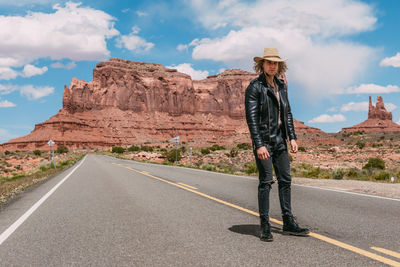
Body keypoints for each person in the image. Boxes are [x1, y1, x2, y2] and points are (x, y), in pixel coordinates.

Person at [245, 48, 309, 242]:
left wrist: (293, 137)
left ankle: (288, 222)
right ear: (262, 64)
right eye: (269, 62)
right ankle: (265, 226)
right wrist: (259, 144)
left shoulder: (281, 86)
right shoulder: (255, 87)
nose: (272, 66)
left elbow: (287, 113)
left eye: (275, 63)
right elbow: (252, 119)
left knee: (285, 181)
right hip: (264, 142)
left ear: (279, 65)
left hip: (280, 141)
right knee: (266, 182)